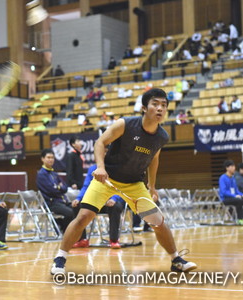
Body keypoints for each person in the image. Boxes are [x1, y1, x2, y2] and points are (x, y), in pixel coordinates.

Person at [50, 88, 197, 276]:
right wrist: (100, 167)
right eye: (155, 104)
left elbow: (154, 159)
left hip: (134, 183)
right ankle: (60, 259)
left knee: (158, 222)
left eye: (164, 105)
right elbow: (100, 143)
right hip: (107, 178)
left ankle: (176, 260)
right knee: (83, 217)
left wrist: (152, 186)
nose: (160, 108)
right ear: (144, 108)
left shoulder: (162, 136)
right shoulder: (125, 124)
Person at [73, 164, 125, 248]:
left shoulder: (117, 167)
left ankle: (114, 240)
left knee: (115, 207)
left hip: (111, 201)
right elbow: (86, 186)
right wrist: (78, 198)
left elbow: (121, 187)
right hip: (96, 202)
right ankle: (82, 240)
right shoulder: (93, 169)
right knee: (77, 205)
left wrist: (114, 199)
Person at [36, 149, 74, 234]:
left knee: (77, 210)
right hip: (52, 204)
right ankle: (65, 231)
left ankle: (67, 229)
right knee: (70, 212)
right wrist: (59, 188)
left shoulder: (54, 174)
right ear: (42, 159)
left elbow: (65, 188)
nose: (51, 160)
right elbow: (51, 190)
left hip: (62, 202)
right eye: (48, 157)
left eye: (52, 158)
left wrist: (58, 187)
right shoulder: (41, 174)